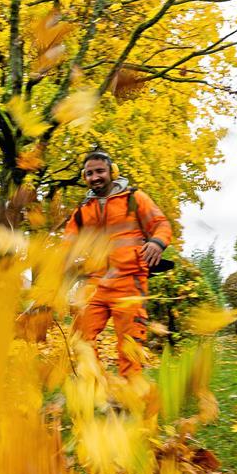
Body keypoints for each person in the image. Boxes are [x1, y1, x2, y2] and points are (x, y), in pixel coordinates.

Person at [63, 149, 173, 378]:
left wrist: (156, 243)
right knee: (81, 339)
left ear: (112, 172)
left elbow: (162, 224)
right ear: (85, 177)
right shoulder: (82, 212)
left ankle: (129, 398)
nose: (95, 177)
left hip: (129, 282)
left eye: (100, 171)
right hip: (94, 284)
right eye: (89, 173)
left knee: (130, 346)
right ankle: (99, 389)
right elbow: (66, 247)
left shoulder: (135, 199)